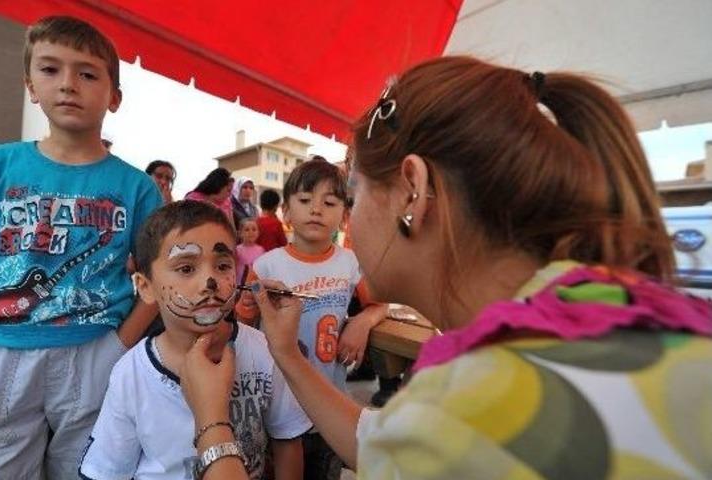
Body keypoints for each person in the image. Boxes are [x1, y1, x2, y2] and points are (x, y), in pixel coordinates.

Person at [179, 56, 712, 480]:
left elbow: (424, 439)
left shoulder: (463, 413)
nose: (348, 219)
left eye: (352, 195)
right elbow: (382, 442)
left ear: (412, 190)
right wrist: (286, 354)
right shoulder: (621, 315)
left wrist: (212, 423)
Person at [0, 16, 162, 479]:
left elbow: (157, 279)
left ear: (114, 96)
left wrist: (119, 345)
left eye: (87, 73)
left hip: (96, 348)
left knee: (92, 470)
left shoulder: (137, 187)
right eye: (51, 69)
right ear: (30, 85)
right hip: (1, 352)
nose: (68, 84)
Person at [79, 200, 310, 480]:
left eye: (222, 265)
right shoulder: (131, 374)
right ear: (146, 287)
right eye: (186, 268)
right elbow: (107, 471)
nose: (210, 281)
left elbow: (287, 440)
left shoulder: (263, 350)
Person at [235, 159, 387, 480]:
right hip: (275, 407)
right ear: (286, 212)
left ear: (343, 216)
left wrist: (361, 323)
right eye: (305, 200)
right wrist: (246, 307)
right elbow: (243, 326)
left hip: (329, 406)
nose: (316, 209)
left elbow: (379, 305)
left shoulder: (351, 263)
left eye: (329, 203)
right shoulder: (266, 266)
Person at [235, 217, 264, 285]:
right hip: (241, 284)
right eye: (247, 230)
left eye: (254, 229)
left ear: (258, 232)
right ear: (240, 233)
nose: (251, 232)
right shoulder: (237, 250)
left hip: (256, 284)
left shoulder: (261, 250)